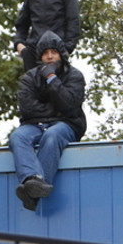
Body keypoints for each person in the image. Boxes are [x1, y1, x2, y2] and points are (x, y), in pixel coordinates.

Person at [8, 30, 86, 211]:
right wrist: (55, 110)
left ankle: (33, 192)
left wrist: (52, 78)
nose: (50, 57)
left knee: (51, 136)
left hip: (66, 124)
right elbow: (27, 108)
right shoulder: (30, 77)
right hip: (33, 124)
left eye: (54, 52)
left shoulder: (75, 75)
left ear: (61, 54)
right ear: (40, 57)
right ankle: (32, 180)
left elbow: (69, 105)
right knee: (17, 137)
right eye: (45, 53)